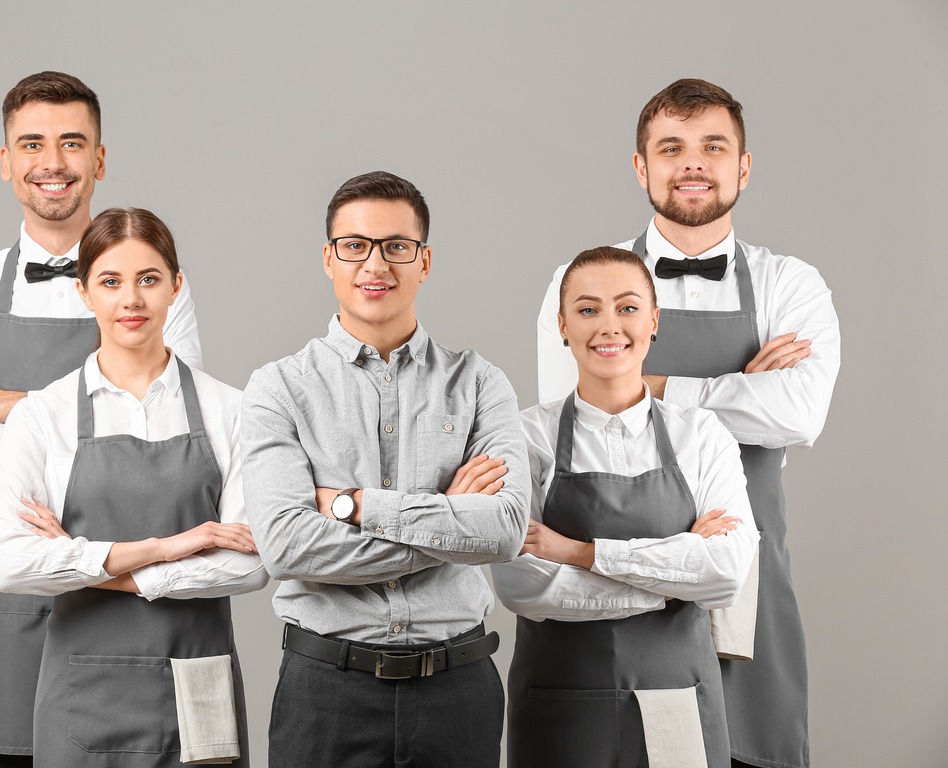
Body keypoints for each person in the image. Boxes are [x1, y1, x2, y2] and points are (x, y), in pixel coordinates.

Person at [536, 79, 840, 768]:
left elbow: (800, 411)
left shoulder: (791, 283)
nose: (693, 163)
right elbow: (576, 423)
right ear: (642, 167)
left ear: (743, 165)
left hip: (743, 575)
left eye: (713, 146)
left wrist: (651, 384)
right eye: (671, 147)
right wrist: (740, 388)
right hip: (608, 593)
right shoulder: (578, 280)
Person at [0, 72, 202, 766]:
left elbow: (175, 431)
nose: (53, 162)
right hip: (9, 589)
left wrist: (2, 403)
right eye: (33, 144)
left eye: (72, 143)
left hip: (138, 581)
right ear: (8, 163)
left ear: (99, 161)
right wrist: (102, 421)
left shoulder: (155, 278)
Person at [240, 171, 530, 768]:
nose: (376, 264)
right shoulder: (279, 388)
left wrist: (352, 506)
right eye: (356, 245)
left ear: (424, 261)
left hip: (459, 688)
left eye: (397, 246)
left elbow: (504, 530)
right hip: (324, 691)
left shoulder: (479, 383)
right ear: (329, 258)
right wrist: (452, 526)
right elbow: (286, 548)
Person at [0, 207, 265, 767]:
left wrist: (95, 566)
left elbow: (252, 565)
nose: (130, 300)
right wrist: (172, 545)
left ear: (175, 288)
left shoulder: (232, 410)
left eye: (149, 279)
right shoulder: (43, 416)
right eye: (110, 282)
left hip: (198, 688)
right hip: (82, 697)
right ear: (84, 292)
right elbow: (10, 565)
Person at [496, 246, 758, 767]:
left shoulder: (702, 435)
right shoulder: (524, 438)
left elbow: (728, 575)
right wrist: (673, 586)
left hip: (677, 704)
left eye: (629, 307)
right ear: (563, 326)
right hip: (560, 706)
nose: (609, 326)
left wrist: (578, 553)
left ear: (654, 319)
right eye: (588, 309)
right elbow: (523, 586)